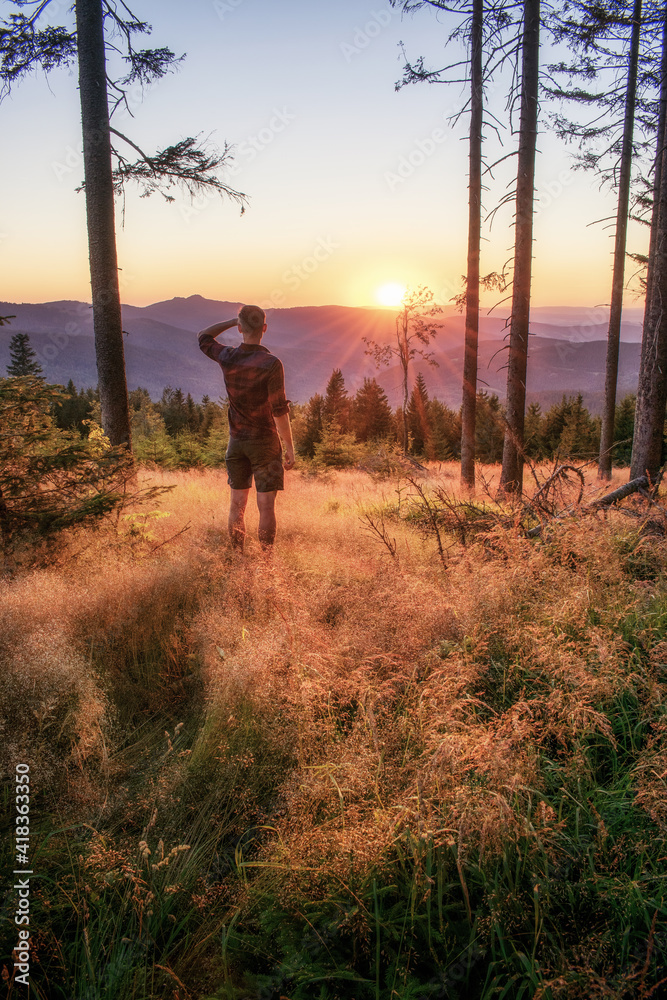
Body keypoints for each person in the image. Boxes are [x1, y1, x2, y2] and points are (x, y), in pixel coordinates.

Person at [198, 304, 295, 552]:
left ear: (241, 328)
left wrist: (233, 321)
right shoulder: (272, 363)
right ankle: (266, 560)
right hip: (264, 443)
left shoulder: (228, 356)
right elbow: (279, 410)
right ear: (264, 328)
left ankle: (237, 555)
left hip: (237, 442)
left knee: (237, 505)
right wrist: (289, 447)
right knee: (266, 506)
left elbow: (203, 337)